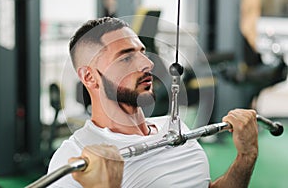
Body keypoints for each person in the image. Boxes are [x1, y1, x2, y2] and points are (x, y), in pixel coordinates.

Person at [47, 17, 258, 188]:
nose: (148, 64)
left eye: (143, 53)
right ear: (90, 77)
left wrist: (246, 157)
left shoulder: (174, 127)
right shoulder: (73, 157)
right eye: (126, 58)